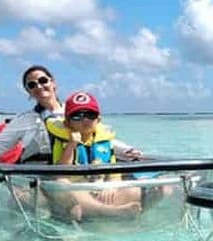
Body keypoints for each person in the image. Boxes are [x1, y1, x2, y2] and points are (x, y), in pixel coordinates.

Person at [43, 91, 146, 221]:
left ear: (98, 120)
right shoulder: (63, 141)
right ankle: (108, 212)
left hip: (99, 188)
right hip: (76, 189)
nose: (84, 120)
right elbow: (60, 172)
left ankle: (113, 214)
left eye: (90, 115)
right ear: (67, 123)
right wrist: (71, 145)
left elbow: (114, 174)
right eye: (77, 116)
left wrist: (110, 186)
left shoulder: (105, 142)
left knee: (134, 190)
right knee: (61, 184)